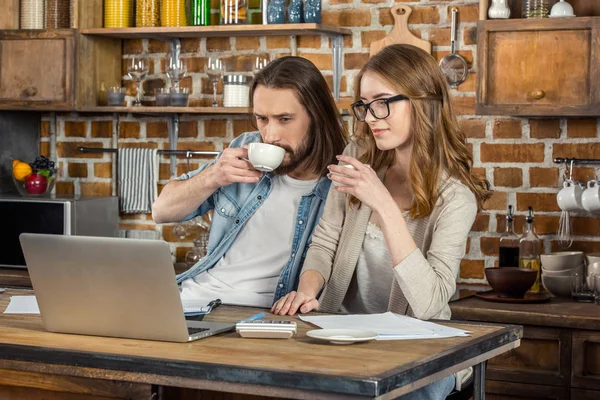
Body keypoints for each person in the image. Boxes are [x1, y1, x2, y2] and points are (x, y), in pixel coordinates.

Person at [271, 44, 492, 399]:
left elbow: (431, 304)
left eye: (382, 102)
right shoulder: (357, 160)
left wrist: (385, 207)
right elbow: (325, 242)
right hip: (343, 336)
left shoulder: (455, 197)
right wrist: (307, 292)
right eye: (364, 105)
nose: (371, 117)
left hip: (421, 347)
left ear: (422, 101)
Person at [152, 56, 347, 308]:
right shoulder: (244, 148)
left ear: (317, 115)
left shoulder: (341, 179)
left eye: (285, 119)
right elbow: (161, 211)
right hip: (191, 301)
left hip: (259, 313)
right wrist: (213, 177)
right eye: (262, 119)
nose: (271, 135)